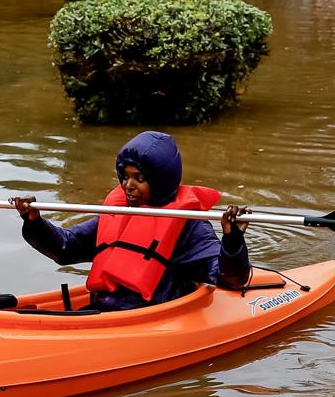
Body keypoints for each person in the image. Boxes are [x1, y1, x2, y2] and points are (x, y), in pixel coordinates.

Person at [13, 131, 250, 312]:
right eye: (125, 176)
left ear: (161, 181)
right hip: (104, 313)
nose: (128, 185)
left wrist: (232, 239)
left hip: (153, 318)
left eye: (140, 178)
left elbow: (230, 279)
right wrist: (35, 222)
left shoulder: (188, 224)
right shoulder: (119, 213)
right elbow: (66, 248)